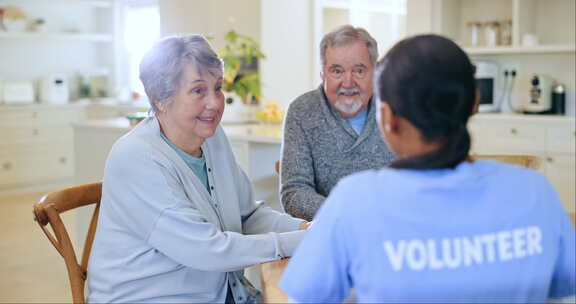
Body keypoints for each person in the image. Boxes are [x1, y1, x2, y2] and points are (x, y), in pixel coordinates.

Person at [281, 34, 575, 302]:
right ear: (475, 102)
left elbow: (303, 298)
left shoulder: (353, 203)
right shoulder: (535, 192)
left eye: (359, 70)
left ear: (387, 118)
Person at [87, 35, 309, 303]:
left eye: (217, 88)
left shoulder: (212, 138)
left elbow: (247, 215)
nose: (215, 103)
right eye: (198, 91)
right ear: (160, 98)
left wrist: (304, 228)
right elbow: (208, 250)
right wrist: (299, 242)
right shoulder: (135, 158)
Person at [280, 25, 395, 221]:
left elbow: (416, 177)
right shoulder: (302, 111)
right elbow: (294, 193)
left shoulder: (395, 106)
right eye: (337, 71)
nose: (348, 82)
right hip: (332, 228)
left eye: (359, 71)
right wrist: (346, 213)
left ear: (375, 73)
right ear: (323, 74)